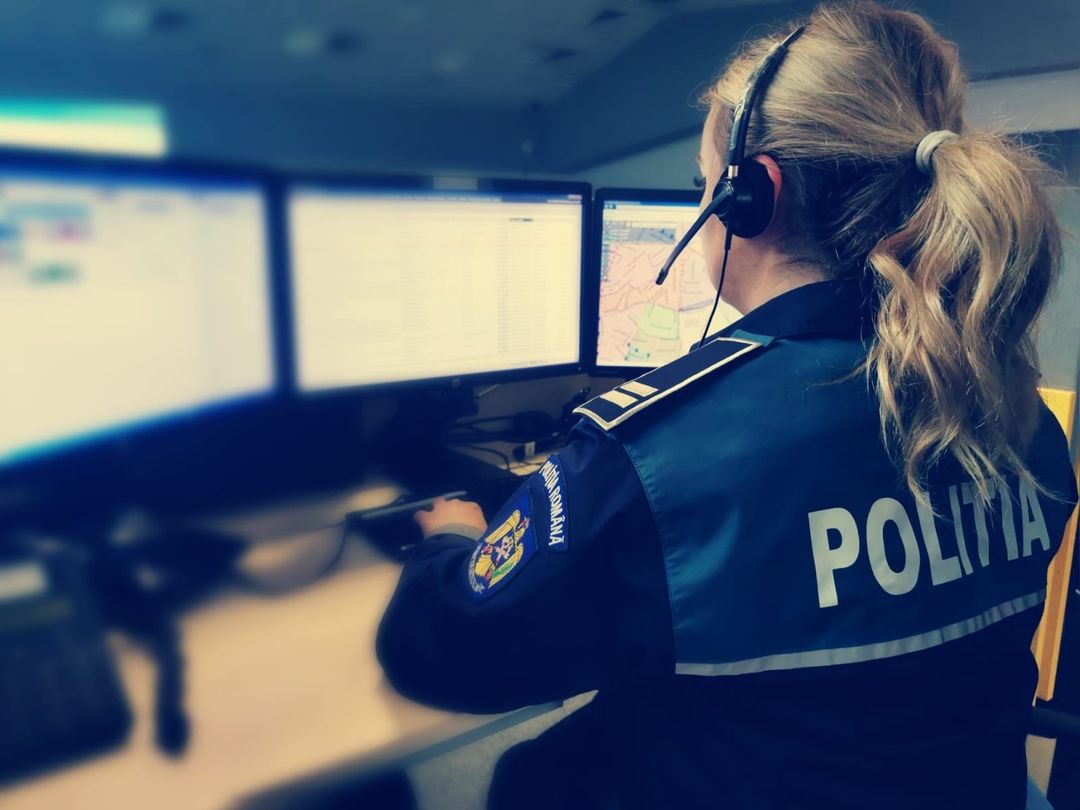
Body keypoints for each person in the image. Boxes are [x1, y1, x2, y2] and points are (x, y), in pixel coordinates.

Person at [376, 3, 1079, 808]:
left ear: (753, 196)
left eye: (704, 182)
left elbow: (444, 652)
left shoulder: (661, 453)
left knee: (531, 776)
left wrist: (455, 536)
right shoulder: (1024, 421)